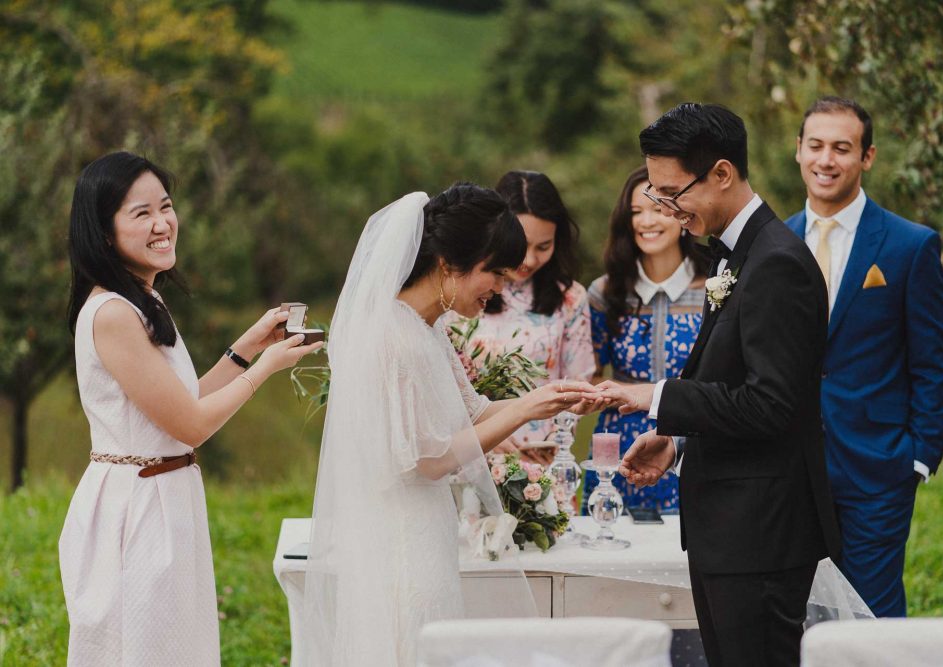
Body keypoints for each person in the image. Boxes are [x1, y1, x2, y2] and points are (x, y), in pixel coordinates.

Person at [302, 184, 598, 666]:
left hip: (429, 535)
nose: (500, 288)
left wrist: (544, 400)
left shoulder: (426, 328)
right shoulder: (390, 338)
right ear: (448, 263)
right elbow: (429, 460)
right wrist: (523, 412)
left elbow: (475, 411)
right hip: (400, 548)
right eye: (494, 273)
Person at [596, 103, 841, 667]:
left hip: (759, 532)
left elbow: (771, 405)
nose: (664, 207)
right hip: (729, 528)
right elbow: (733, 386)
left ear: (723, 173)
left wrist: (655, 396)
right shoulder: (740, 255)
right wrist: (678, 442)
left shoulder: (777, 262)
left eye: (671, 192)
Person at [59, 151, 322, 666]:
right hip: (134, 509)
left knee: (175, 648)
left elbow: (182, 404)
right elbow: (191, 425)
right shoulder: (112, 312)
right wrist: (264, 367)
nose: (162, 224)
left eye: (166, 206)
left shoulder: (143, 300)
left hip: (163, 496)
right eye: (141, 214)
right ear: (104, 230)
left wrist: (244, 347)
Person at [787, 96, 943, 617]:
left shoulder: (910, 245)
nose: (826, 160)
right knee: (791, 614)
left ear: (868, 157)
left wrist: (918, 459)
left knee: (871, 618)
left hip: (877, 468)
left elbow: (932, 363)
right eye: (816, 146)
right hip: (786, 467)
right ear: (798, 151)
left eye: (842, 148)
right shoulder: (773, 242)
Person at [585, 166, 709, 513]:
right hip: (619, 447)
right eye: (636, 212)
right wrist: (626, 394)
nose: (645, 221)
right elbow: (588, 376)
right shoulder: (605, 292)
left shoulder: (714, 287)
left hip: (691, 441)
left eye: (656, 208)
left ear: (681, 212)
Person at [452, 170, 593, 462]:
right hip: (472, 453)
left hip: (542, 459)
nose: (529, 260)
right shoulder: (459, 294)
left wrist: (554, 443)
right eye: (521, 244)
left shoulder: (571, 298)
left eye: (543, 247)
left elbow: (578, 384)